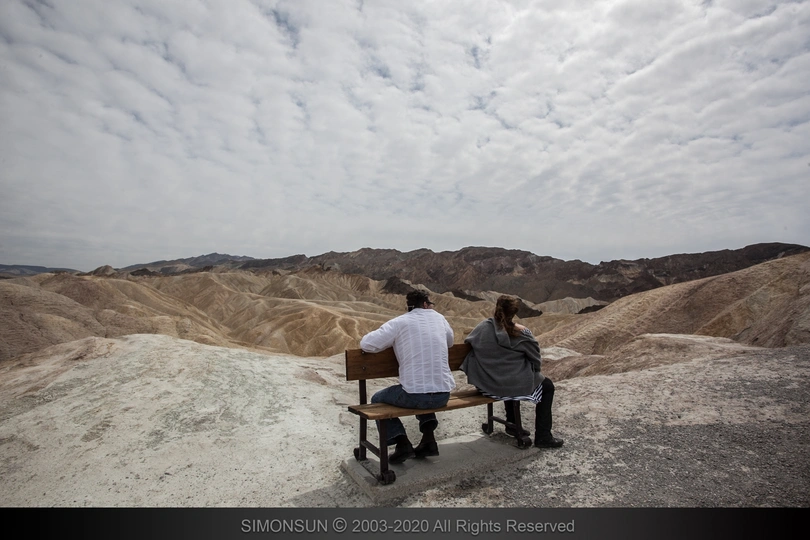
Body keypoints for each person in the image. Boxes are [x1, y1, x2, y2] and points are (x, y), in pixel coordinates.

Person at [360, 290, 456, 463]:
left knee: (376, 399)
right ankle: (428, 439)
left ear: (409, 306)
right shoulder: (439, 318)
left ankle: (401, 443)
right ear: (425, 304)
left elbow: (367, 344)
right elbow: (450, 342)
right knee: (427, 388)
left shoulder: (399, 322)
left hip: (415, 396)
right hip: (443, 394)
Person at [461, 295, 564, 448]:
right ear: (514, 312)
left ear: (496, 308)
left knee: (510, 378)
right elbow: (536, 360)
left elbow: (469, 345)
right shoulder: (523, 333)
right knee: (547, 386)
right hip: (511, 387)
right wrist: (530, 371)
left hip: (488, 387)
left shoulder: (482, 328)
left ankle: (512, 424)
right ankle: (543, 437)